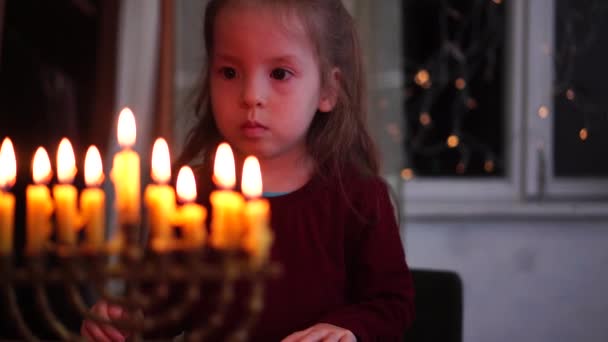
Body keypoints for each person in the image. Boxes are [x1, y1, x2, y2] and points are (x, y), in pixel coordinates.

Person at [81, 0, 414, 341]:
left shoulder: (358, 196)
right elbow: (160, 311)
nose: (251, 95)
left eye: (279, 73)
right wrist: (121, 320)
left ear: (328, 90)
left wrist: (349, 331)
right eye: (229, 72)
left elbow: (391, 304)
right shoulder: (186, 196)